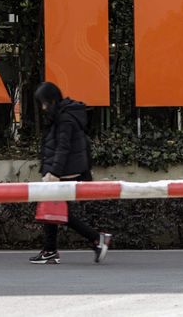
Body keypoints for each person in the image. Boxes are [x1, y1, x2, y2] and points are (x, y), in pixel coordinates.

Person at [28, 81, 113, 265]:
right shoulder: (62, 115)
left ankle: (96, 239)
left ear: (51, 100)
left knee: (57, 211)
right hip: (63, 171)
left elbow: (63, 147)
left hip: (65, 172)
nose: (42, 107)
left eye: (44, 103)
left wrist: (54, 172)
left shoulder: (65, 118)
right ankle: (52, 249)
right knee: (54, 210)